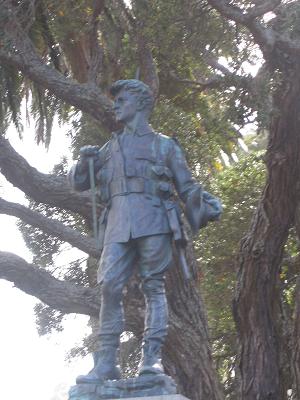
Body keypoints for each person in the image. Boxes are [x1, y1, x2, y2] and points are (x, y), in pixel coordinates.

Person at [69, 79, 221, 383]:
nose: (116, 105)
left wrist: (208, 203)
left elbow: (187, 185)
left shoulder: (164, 145)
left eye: (122, 99)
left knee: (154, 288)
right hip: (118, 224)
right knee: (109, 286)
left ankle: (151, 361)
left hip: (153, 219)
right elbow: (79, 182)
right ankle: (107, 362)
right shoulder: (109, 147)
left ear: (139, 104)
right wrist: (83, 162)